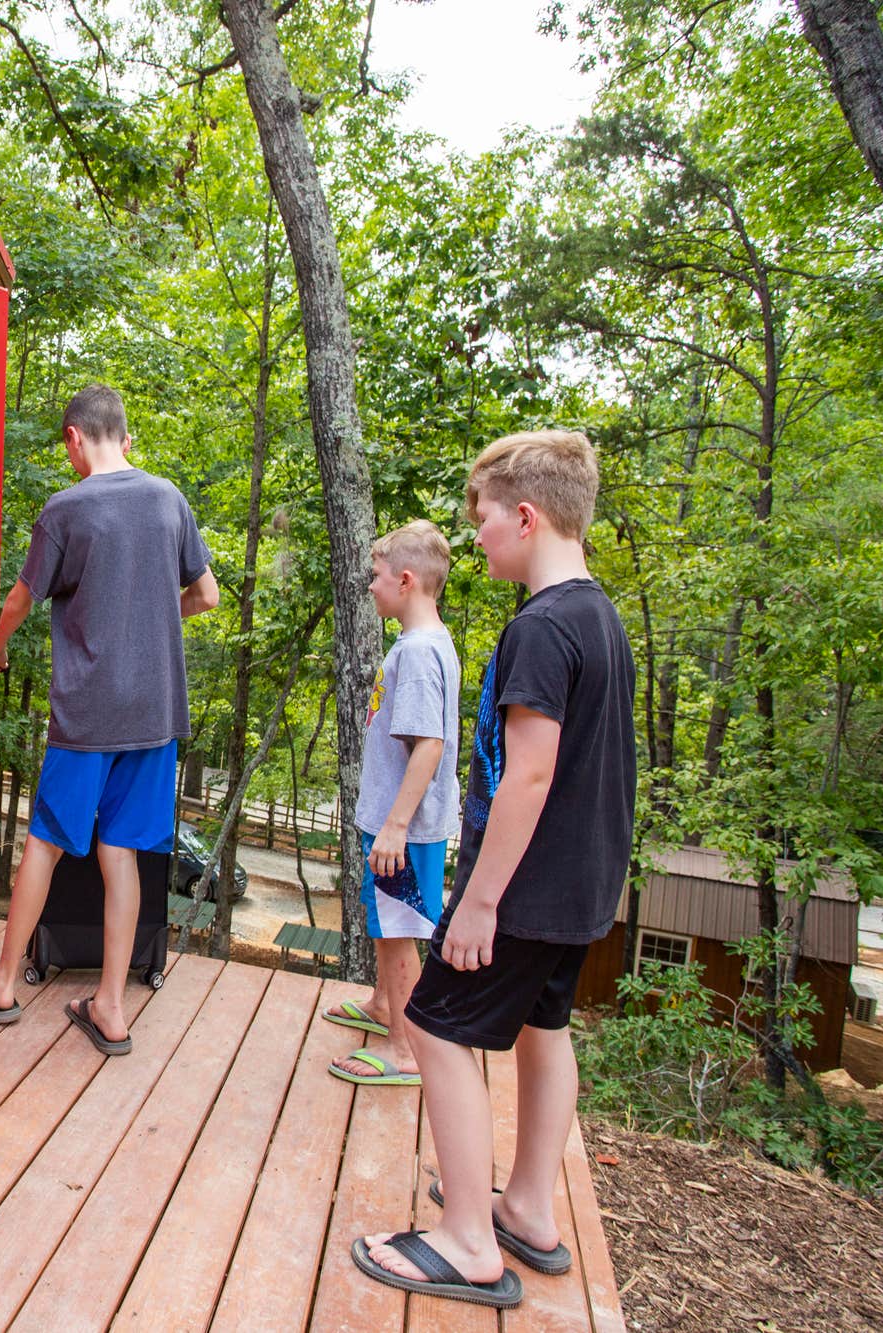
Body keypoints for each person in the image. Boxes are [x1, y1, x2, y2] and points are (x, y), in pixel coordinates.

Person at [353, 431, 635, 1310]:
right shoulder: (600, 614)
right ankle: (526, 1208)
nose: (474, 538)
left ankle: (470, 1241)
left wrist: (477, 903)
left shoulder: (543, 628)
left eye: (481, 520)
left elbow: (533, 774)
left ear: (525, 515)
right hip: (582, 886)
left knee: (434, 1024)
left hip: (523, 885)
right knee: (545, 1033)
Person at [0, 385, 220, 1055]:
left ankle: (1, 983)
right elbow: (207, 594)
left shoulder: (66, 509)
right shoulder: (170, 500)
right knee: (122, 854)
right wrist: (151, 620)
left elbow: (21, 597)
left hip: (88, 714)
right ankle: (110, 1007)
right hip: (156, 712)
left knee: (46, 840)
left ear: (75, 439)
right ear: (125, 437)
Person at [323, 520, 460, 1088]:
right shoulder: (419, 645)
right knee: (385, 925)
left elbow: (429, 745)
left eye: (376, 578)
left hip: (402, 828)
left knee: (399, 931)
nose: (371, 587)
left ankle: (406, 1051)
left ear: (406, 581)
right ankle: (385, 1006)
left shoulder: (422, 653)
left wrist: (396, 826)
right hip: (390, 821)